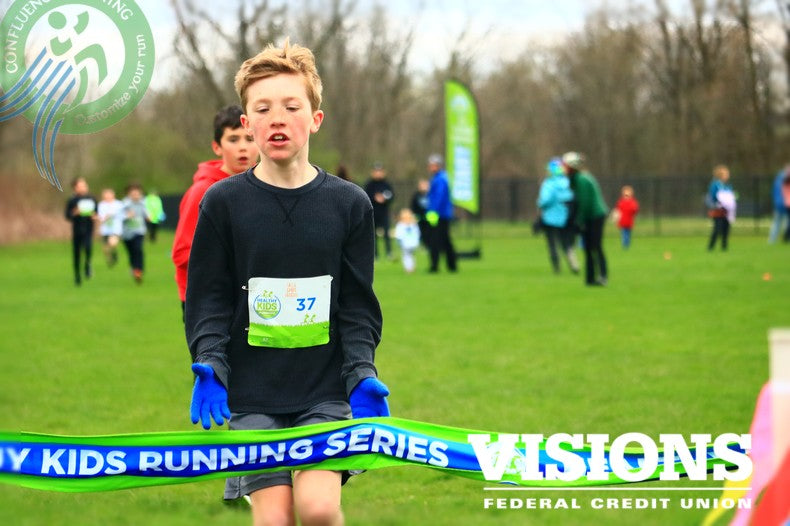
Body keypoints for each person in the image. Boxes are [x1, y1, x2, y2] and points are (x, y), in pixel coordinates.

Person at [185, 41, 390, 526]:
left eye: (291, 107)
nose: (277, 118)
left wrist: (361, 370)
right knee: (273, 519)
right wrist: (210, 359)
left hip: (326, 387)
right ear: (248, 124)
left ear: (315, 118)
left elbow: (358, 305)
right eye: (263, 109)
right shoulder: (223, 204)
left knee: (318, 510)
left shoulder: (350, 204)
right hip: (252, 392)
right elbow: (208, 298)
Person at [172, 105, 257, 316]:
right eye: (233, 139)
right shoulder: (202, 191)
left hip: (250, 298)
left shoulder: (262, 187)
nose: (243, 148)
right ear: (217, 147)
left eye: (250, 138)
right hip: (207, 301)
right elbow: (181, 253)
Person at [563, 152, 608, 286]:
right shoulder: (576, 178)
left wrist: (579, 222)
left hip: (595, 216)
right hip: (589, 216)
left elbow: (584, 202)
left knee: (596, 246)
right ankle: (590, 279)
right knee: (588, 248)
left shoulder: (581, 179)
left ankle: (603, 276)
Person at [536, 157, 579, 274]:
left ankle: (557, 268)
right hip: (565, 218)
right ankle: (573, 264)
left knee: (552, 244)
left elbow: (545, 200)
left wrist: (539, 203)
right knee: (566, 243)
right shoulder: (567, 183)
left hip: (549, 218)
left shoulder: (549, 184)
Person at [425, 154, 458, 273]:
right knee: (445, 240)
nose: (430, 167)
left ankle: (434, 266)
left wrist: (433, 212)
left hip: (439, 215)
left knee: (434, 241)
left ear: (438, 165)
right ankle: (452, 265)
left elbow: (438, 197)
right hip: (442, 214)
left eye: (432, 165)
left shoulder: (440, 179)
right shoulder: (440, 178)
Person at [64, 177, 97, 286]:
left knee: (88, 248)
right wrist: (75, 213)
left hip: (88, 229)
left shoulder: (92, 199)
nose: (83, 188)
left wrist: (94, 216)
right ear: (75, 188)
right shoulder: (72, 200)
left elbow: (96, 213)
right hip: (77, 230)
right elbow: (67, 216)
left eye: (85, 185)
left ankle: (87, 265)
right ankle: (77, 276)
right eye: (81, 186)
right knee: (76, 254)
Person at [363, 162, 395, 260]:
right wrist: (374, 198)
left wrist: (384, 199)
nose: (378, 173)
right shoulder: (369, 184)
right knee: (373, 235)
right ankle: (375, 254)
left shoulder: (386, 184)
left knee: (386, 234)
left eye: (380, 171)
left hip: (384, 213)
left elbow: (392, 196)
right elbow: (364, 197)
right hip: (373, 213)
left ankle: (389, 252)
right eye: (376, 171)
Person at [120, 183, 148, 284]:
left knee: (138, 249)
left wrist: (148, 217)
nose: (136, 195)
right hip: (127, 233)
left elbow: (147, 214)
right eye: (133, 194)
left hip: (139, 231)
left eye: (137, 193)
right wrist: (127, 216)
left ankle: (138, 270)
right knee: (131, 252)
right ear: (129, 194)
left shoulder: (143, 203)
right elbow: (118, 217)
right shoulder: (124, 204)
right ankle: (134, 268)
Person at [706, 164, 736, 251]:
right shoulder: (715, 185)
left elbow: (731, 196)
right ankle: (711, 247)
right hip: (718, 210)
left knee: (726, 229)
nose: (727, 175)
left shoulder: (728, 185)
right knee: (717, 228)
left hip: (727, 211)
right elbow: (712, 196)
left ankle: (724, 247)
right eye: (726, 173)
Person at [97, 188, 123, 267]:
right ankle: (111, 258)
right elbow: (100, 217)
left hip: (116, 228)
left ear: (113, 195)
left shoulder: (119, 204)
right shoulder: (101, 205)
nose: (107, 196)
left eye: (109, 195)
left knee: (112, 243)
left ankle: (114, 253)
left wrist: (110, 215)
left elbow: (121, 214)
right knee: (105, 249)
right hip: (105, 229)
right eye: (106, 195)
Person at [394, 208, 421, 273]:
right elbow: (418, 233)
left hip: (405, 244)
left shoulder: (400, 225)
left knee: (406, 256)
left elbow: (398, 234)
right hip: (414, 244)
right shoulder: (414, 224)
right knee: (411, 255)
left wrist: (398, 241)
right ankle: (412, 266)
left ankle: (408, 268)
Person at [768, 165, 790, 244]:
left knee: (778, 223)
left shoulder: (778, 179)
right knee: (781, 223)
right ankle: (779, 239)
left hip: (780, 204)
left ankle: (772, 240)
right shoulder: (783, 180)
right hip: (783, 205)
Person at [614, 185, 640, 249]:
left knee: (628, 233)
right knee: (624, 233)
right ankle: (625, 245)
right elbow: (617, 211)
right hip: (623, 221)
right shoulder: (621, 202)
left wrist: (634, 209)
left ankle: (626, 244)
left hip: (629, 221)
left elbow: (635, 210)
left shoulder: (632, 202)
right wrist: (616, 219)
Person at [410, 178, 430, 247]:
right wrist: (414, 215)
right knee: (420, 232)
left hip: (429, 217)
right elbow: (413, 206)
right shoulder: (416, 195)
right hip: (419, 217)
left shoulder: (430, 195)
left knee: (429, 232)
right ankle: (422, 244)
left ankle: (428, 244)